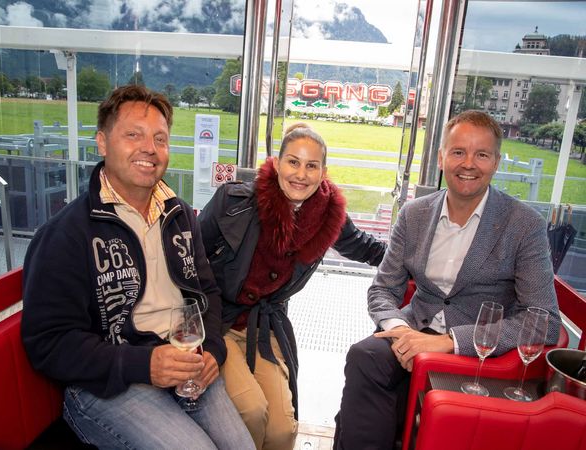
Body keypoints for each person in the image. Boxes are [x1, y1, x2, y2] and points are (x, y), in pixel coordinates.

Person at [21, 85, 255, 450]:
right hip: (107, 384)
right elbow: (48, 342)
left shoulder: (180, 216)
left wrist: (212, 351)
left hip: (183, 362)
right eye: (133, 135)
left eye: (159, 139)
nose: (149, 148)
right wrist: (144, 364)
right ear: (102, 142)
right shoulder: (66, 234)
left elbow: (206, 293)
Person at [333, 110, 561, 450]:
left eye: (481, 154)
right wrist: (400, 332)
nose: (468, 163)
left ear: (496, 162)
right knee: (364, 358)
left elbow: (544, 321)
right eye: (458, 152)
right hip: (412, 332)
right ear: (441, 157)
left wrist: (451, 341)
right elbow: (383, 287)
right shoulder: (415, 213)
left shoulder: (524, 224)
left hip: (477, 350)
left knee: (382, 410)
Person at [197, 123, 386, 450]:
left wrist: (411, 262)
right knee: (253, 411)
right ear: (277, 162)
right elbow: (191, 255)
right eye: (293, 162)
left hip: (265, 328)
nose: (301, 174)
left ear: (323, 172)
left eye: (311, 166)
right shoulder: (236, 201)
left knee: (283, 429)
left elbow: (365, 247)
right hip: (218, 321)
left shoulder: (328, 216)